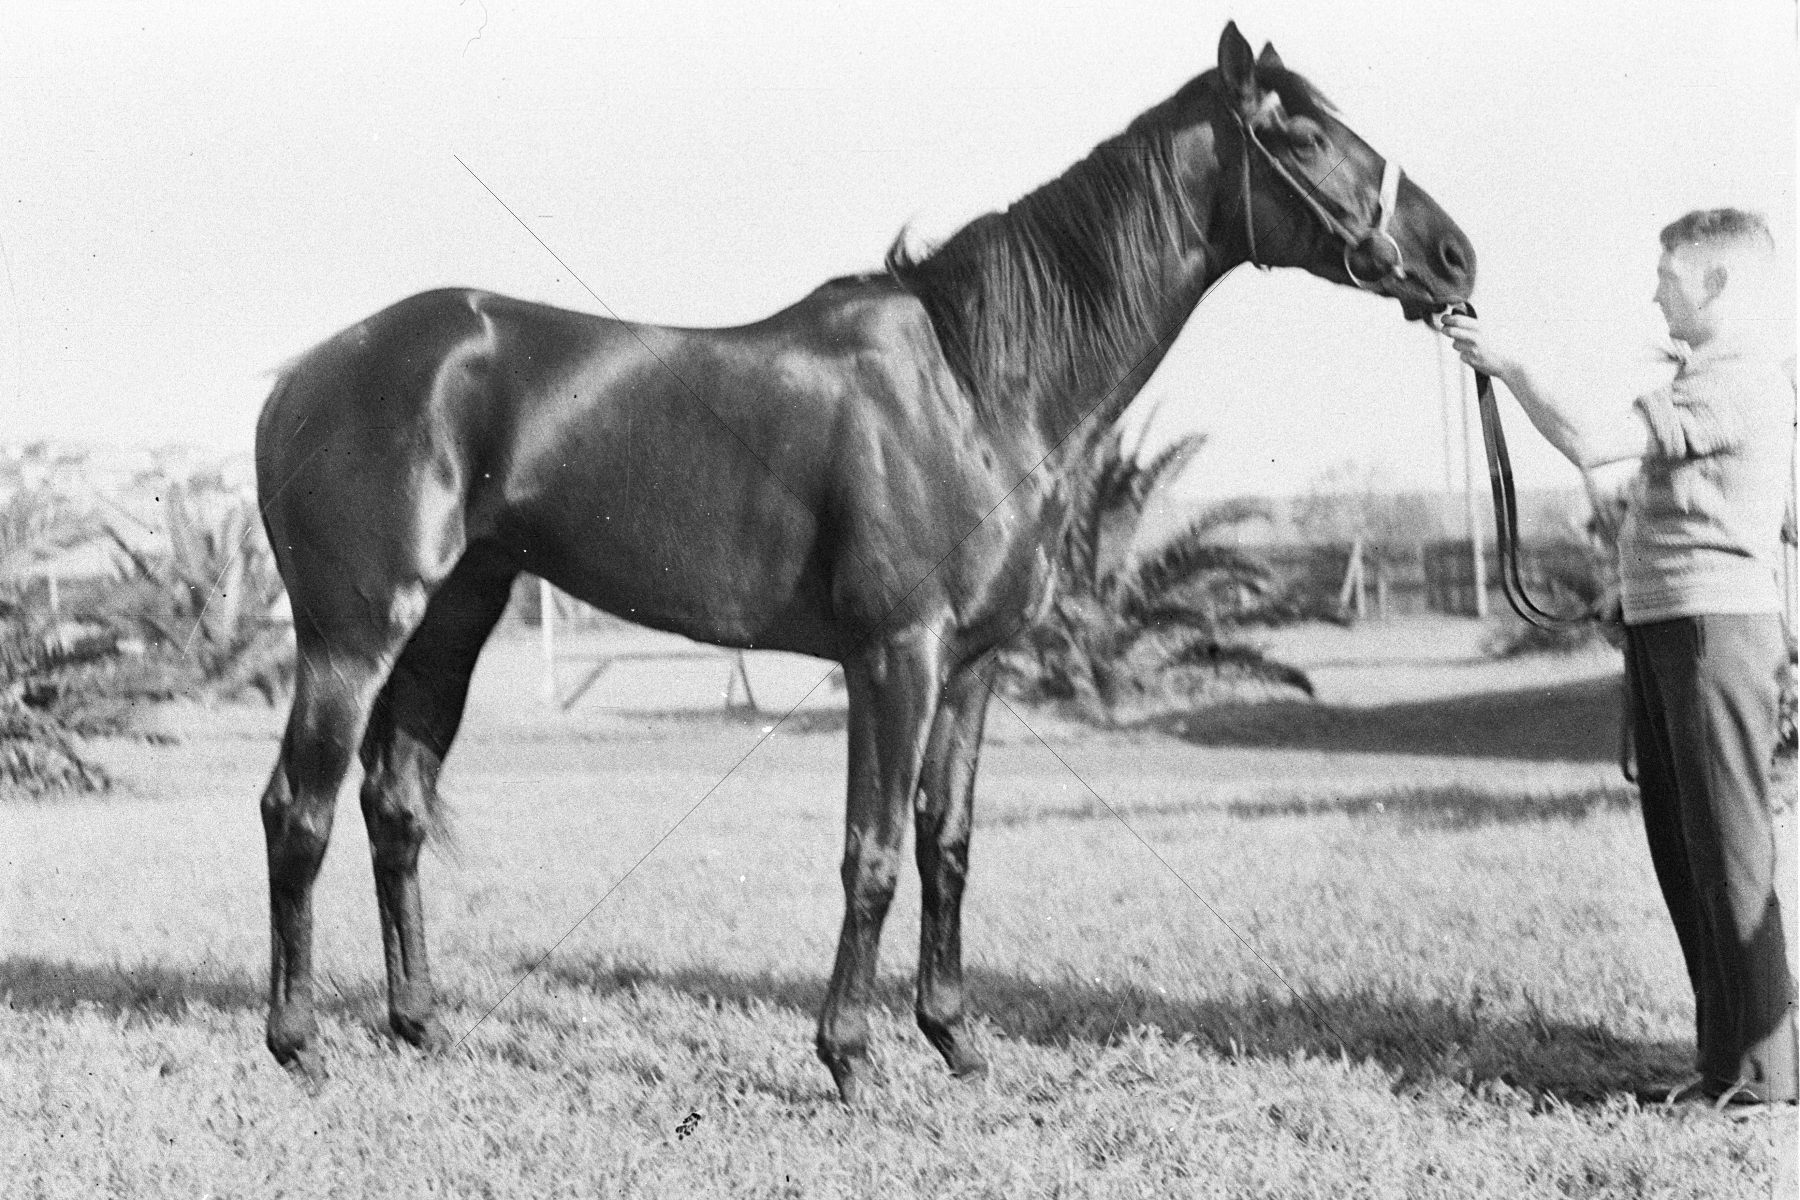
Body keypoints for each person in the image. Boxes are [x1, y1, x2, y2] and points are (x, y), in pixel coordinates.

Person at [1444, 207, 1796, 1112]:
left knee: (1726, 850)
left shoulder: (1738, 381)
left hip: (1714, 631)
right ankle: (1728, 1063)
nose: (1654, 290)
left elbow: (1593, 439)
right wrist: (1630, 594)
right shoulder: (1714, 377)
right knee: (1689, 851)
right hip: (1677, 624)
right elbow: (1692, 511)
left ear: (1717, 282)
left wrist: (1509, 362)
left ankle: (1761, 1073)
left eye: (1668, 275)